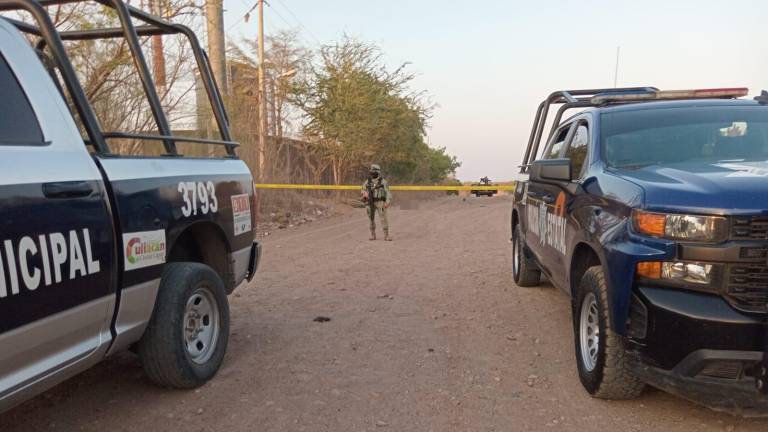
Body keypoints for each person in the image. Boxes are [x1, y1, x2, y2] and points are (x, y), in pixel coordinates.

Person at [361, 164, 392, 241]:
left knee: (383, 219)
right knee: (371, 219)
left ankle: (386, 235)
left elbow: (388, 193)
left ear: (378, 172)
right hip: (370, 202)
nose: (372, 173)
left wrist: (387, 202)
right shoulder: (367, 181)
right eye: (371, 171)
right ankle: (373, 235)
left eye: (374, 171)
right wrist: (364, 193)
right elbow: (363, 189)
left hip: (380, 202)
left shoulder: (383, 182)